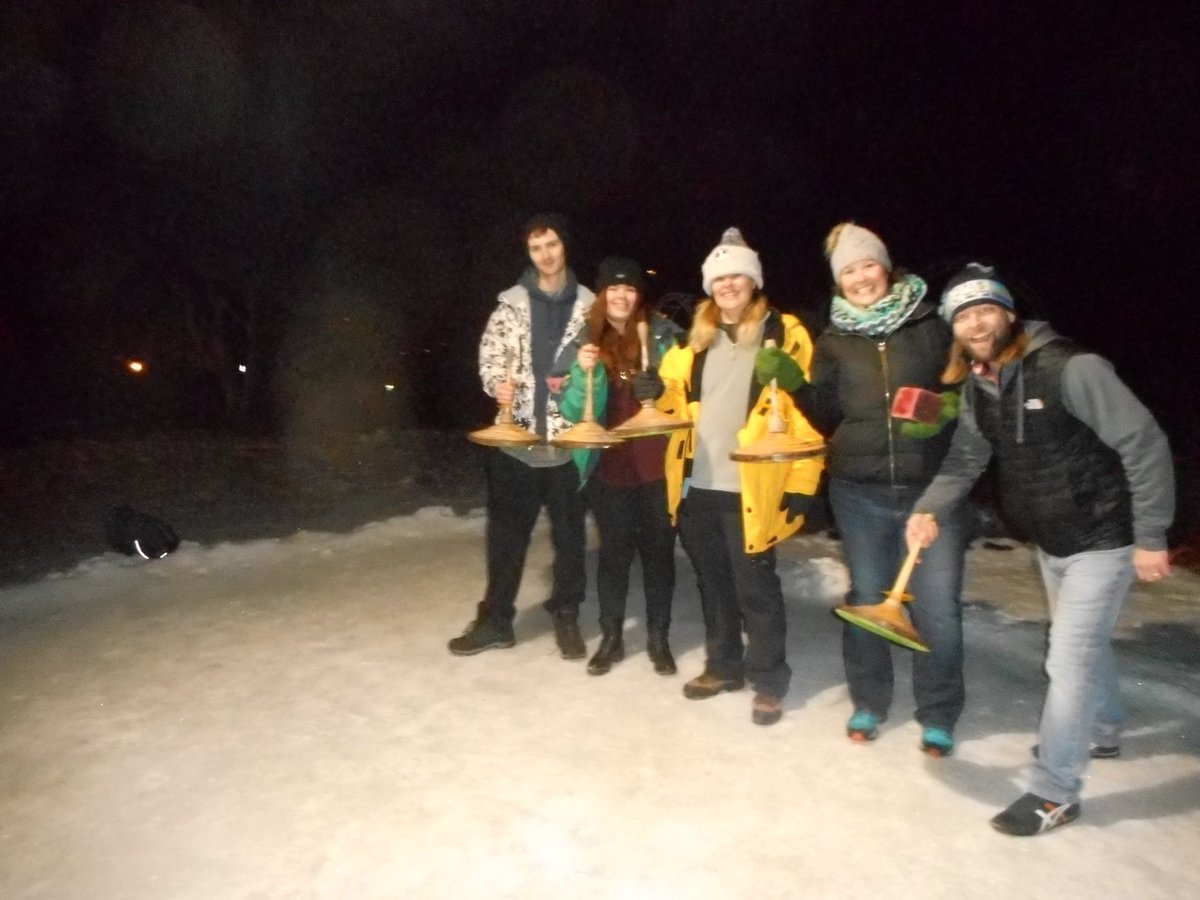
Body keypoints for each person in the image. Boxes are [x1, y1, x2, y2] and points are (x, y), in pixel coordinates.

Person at [905, 262, 1174, 836]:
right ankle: (1102, 728)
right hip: (1053, 538)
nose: (976, 324)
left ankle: (1055, 791)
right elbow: (965, 459)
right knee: (1080, 643)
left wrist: (1152, 535)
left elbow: (1144, 442)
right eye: (964, 316)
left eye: (985, 310)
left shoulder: (1071, 368)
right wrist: (928, 508)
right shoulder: (980, 385)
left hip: (1104, 535)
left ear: (1008, 314)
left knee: (1068, 658)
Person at [799, 223, 970, 757]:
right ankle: (870, 700)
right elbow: (825, 412)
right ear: (838, 281)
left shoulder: (932, 324)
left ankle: (938, 712)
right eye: (848, 271)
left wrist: (941, 411)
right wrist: (795, 387)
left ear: (886, 267)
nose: (860, 278)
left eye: (867, 265)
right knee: (868, 598)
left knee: (938, 608)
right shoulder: (833, 340)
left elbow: (965, 391)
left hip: (931, 491)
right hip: (859, 491)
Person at [658, 228, 824, 726]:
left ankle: (769, 682)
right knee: (713, 584)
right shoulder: (692, 343)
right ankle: (723, 665)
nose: (728, 284)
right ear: (709, 287)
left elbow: (807, 415)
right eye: (719, 278)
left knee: (756, 588)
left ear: (753, 281)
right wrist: (652, 390)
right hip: (698, 485)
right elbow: (668, 407)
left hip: (752, 486)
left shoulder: (785, 333)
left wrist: (802, 484)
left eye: (738, 276)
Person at [448, 215, 594, 660]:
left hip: (569, 444)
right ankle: (496, 622)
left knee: (570, 541)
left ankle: (566, 615)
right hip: (516, 444)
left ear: (565, 246)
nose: (545, 255)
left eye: (552, 244)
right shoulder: (509, 306)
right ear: (529, 254)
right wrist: (498, 385)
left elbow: (603, 364)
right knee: (506, 540)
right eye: (536, 248)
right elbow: (490, 356)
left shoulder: (592, 308)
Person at [559, 256, 683, 676]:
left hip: (657, 467)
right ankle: (611, 638)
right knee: (613, 555)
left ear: (638, 295)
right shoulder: (586, 340)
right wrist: (583, 375)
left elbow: (684, 396)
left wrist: (662, 388)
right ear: (602, 294)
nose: (622, 295)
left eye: (629, 288)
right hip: (609, 468)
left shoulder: (664, 336)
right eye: (613, 288)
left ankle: (659, 639)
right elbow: (572, 411)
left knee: (659, 555)